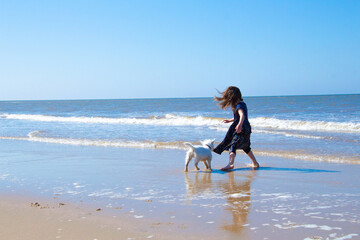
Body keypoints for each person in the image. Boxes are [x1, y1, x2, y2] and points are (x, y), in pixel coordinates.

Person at [213, 86, 260, 171]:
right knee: (246, 147)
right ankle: (255, 163)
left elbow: (242, 115)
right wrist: (230, 120)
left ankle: (231, 164)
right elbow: (239, 117)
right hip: (247, 128)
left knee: (233, 145)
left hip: (241, 128)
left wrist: (239, 125)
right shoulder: (242, 104)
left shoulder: (239, 105)